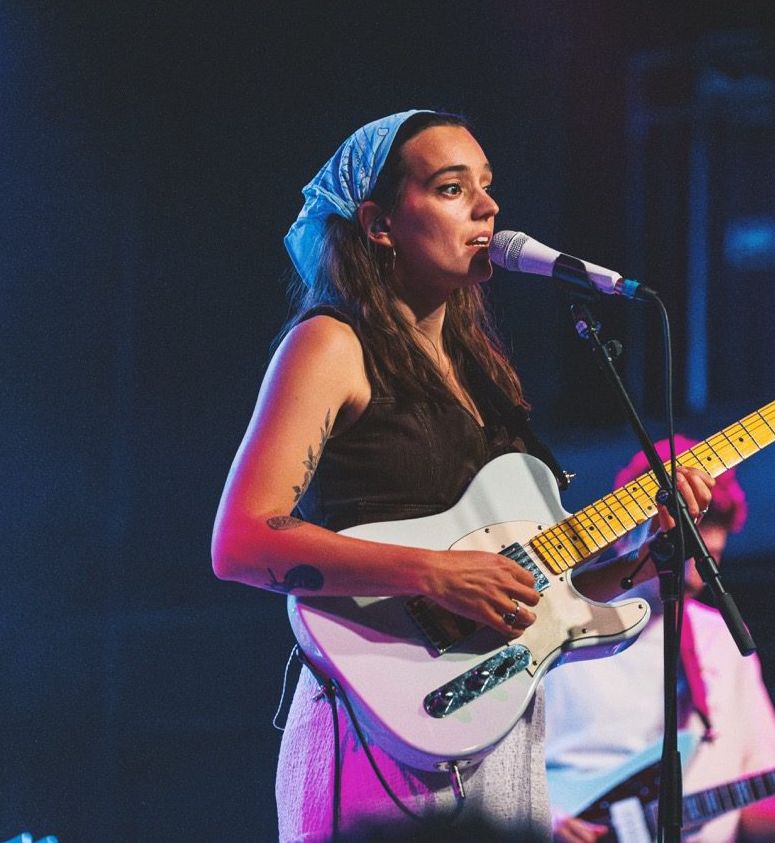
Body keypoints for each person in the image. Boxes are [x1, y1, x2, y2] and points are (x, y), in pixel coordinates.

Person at [211, 112, 714, 841]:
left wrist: (641, 561)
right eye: (452, 188)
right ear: (380, 223)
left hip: (499, 726)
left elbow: (539, 592)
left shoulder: (488, 374)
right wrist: (433, 574)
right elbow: (242, 541)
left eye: (487, 187)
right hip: (378, 727)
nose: (488, 207)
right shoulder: (330, 345)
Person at [545, 437, 775, 843]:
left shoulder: (721, 639)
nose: (694, 575)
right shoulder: (560, 630)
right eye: (681, 552)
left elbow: (756, 805)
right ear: (624, 538)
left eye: (712, 558)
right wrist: (540, 820)